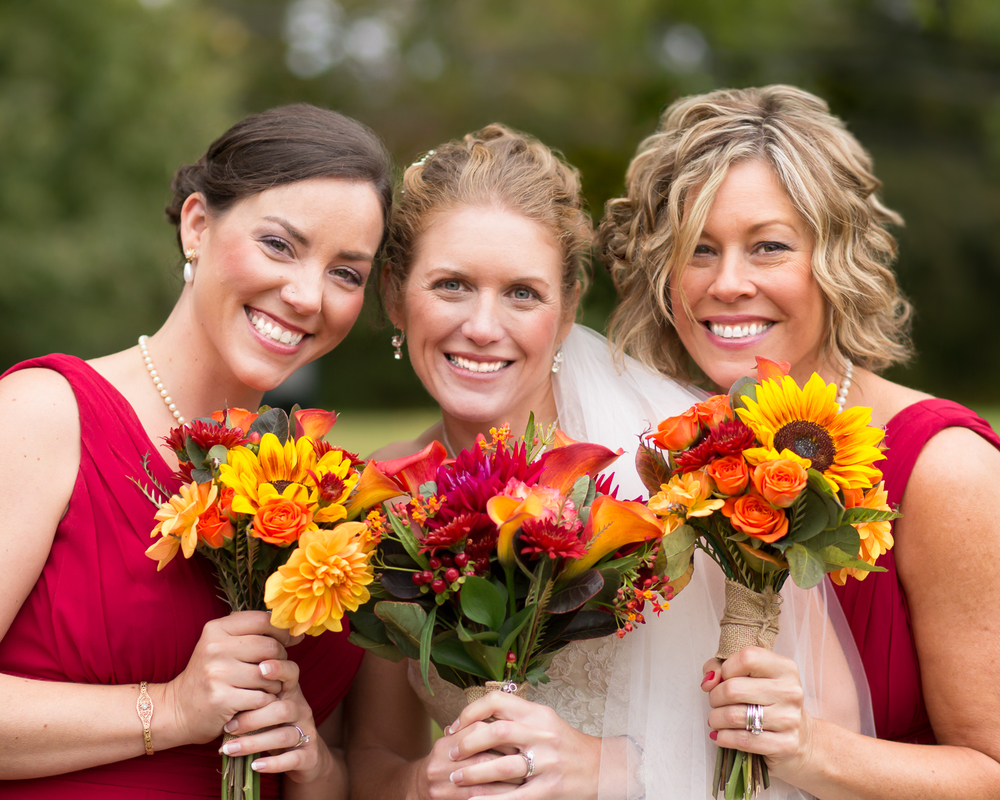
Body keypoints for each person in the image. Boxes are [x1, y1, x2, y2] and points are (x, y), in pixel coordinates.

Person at [344, 123, 863, 800]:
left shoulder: (682, 470)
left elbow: (832, 740)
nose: (481, 325)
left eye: (522, 293)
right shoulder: (388, 498)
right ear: (393, 294)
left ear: (564, 314)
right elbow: (374, 757)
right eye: (451, 285)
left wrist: (613, 772)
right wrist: (424, 782)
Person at [599, 84, 1000, 798]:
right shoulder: (662, 458)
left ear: (835, 259)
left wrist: (812, 749)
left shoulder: (945, 470)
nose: (727, 283)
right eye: (698, 250)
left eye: (769, 247)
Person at [0, 103, 392, 798]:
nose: (307, 295)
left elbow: (336, 774)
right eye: (280, 245)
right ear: (197, 225)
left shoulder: (337, 496)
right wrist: (173, 709)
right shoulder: (44, 416)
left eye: (346, 274)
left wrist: (308, 757)